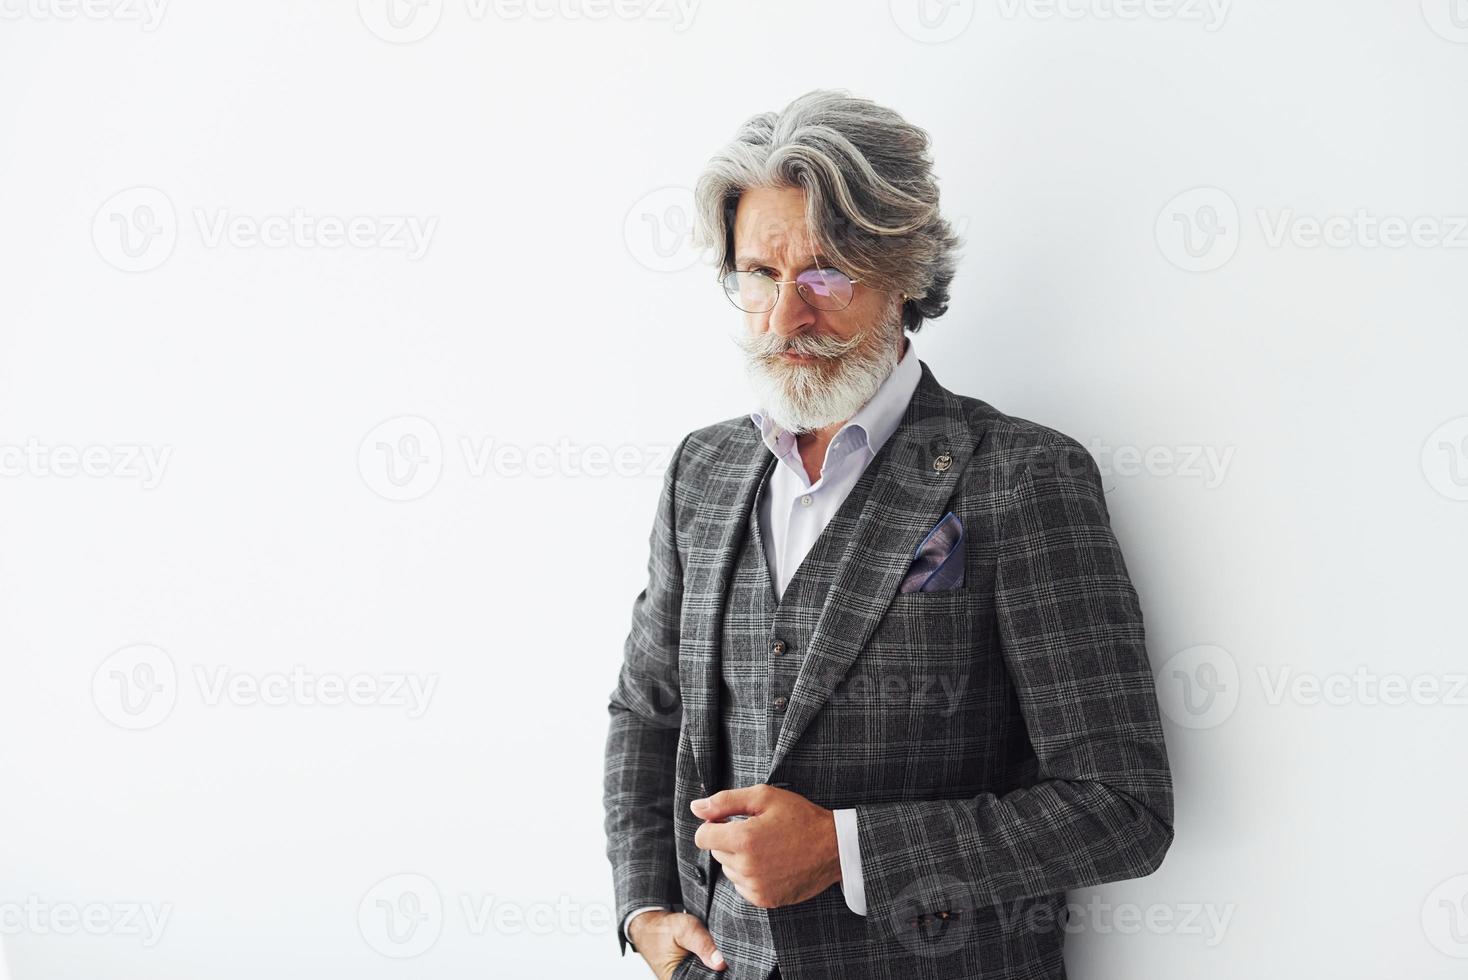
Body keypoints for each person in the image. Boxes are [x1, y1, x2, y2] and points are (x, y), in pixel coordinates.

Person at [603, 89, 1174, 980]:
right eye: (758, 274)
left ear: (905, 272)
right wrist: (646, 911)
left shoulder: (1026, 477)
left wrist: (845, 849)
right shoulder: (701, 472)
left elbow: (1120, 807)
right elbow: (649, 709)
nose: (786, 317)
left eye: (826, 274)